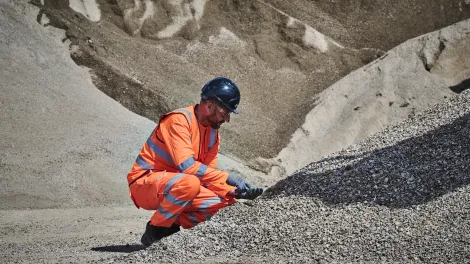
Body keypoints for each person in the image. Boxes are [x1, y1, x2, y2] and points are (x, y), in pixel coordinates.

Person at [126, 77, 264, 246]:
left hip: (178, 186)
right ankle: (156, 230)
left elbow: (208, 177)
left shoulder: (213, 135)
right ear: (209, 106)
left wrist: (232, 192)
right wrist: (227, 176)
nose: (226, 119)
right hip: (145, 184)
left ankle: (172, 224)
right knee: (189, 183)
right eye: (225, 112)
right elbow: (188, 167)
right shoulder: (178, 121)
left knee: (225, 205)